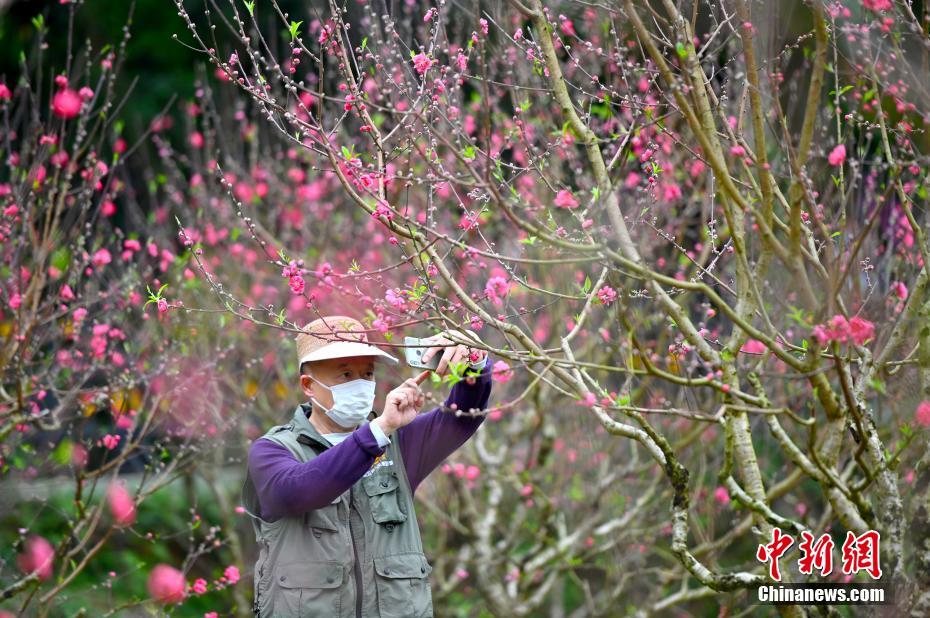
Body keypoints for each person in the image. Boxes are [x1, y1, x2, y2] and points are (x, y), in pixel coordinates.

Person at [241, 315, 493, 618]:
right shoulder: (273, 450)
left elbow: (463, 416)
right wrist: (378, 430)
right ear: (308, 385)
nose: (360, 384)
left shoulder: (398, 443)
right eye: (345, 374)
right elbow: (297, 491)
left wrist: (475, 363)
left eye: (367, 373)